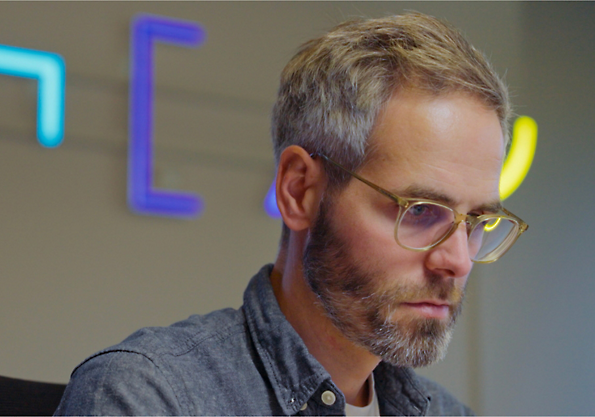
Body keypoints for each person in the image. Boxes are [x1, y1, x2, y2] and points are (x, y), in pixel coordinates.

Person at [55, 12, 528, 416]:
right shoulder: (150, 397)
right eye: (422, 210)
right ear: (300, 190)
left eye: (477, 223)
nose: (459, 261)